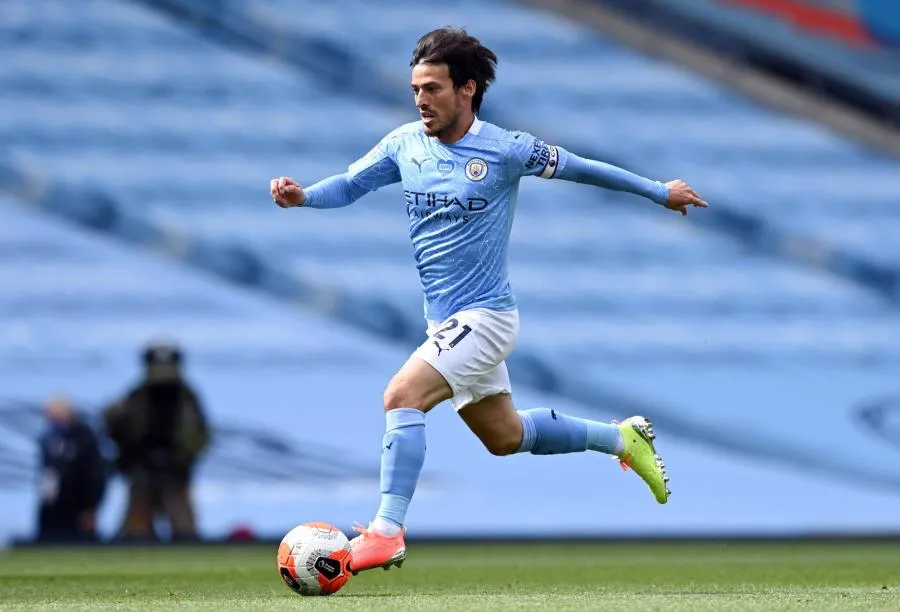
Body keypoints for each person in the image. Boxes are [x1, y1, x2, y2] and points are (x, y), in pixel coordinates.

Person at [269, 27, 708, 574]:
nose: (421, 100)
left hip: (487, 317)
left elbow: (584, 168)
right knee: (505, 437)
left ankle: (386, 531)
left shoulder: (506, 149)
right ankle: (620, 438)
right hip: (445, 323)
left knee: (402, 395)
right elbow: (351, 184)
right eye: (415, 89)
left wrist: (658, 190)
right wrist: (304, 196)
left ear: (467, 89)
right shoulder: (405, 144)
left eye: (432, 88)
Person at [103, 342, 211, 541]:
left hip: (175, 472)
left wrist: (182, 459)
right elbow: (121, 432)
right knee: (136, 531)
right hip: (142, 471)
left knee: (184, 531)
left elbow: (200, 436)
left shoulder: (187, 398)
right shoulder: (137, 396)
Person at [37, 396, 107, 542]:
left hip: (78, 507)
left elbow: (95, 475)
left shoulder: (85, 438)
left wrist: (90, 507)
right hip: (52, 506)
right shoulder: (48, 438)